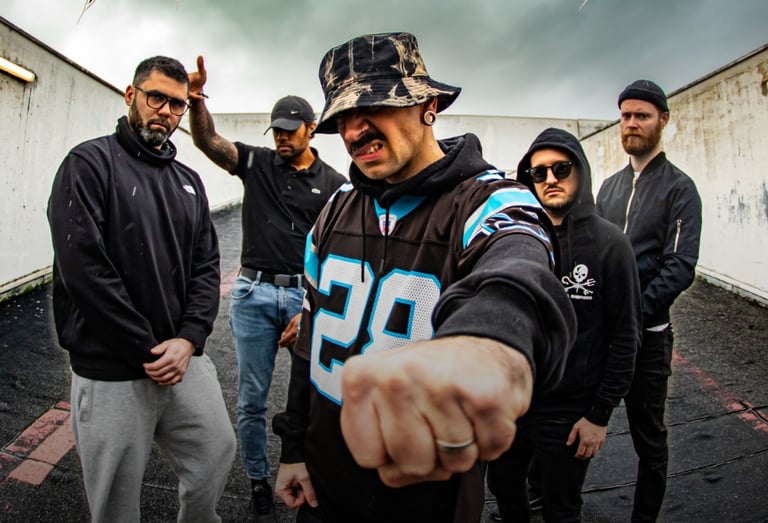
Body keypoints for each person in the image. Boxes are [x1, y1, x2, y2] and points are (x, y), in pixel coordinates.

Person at [271, 32, 577, 523]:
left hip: (431, 498)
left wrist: (489, 343)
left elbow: (517, 267)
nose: (354, 131)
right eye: (343, 117)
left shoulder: (490, 200)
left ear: (428, 105)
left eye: (374, 106)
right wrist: (293, 447)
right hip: (324, 488)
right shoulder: (333, 210)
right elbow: (310, 337)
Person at [46, 56, 235, 523]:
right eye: (156, 98)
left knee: (216, 450)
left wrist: (189, 339)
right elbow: (85, 270)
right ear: (131, 95)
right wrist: (145, 348)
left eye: (177, 104)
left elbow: (206, 267)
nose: (166, 112)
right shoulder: (88, 164)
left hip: (183, 361)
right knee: (115, 504)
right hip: (112, 368)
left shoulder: (188, 181)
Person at [186, 56, 346, 522]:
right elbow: (208, 141)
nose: (281, 138)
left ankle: (310, 473)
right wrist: (195, 101)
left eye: (290, 130)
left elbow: (337, 255)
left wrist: (312, 308)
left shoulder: (335, 185)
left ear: (311, 130)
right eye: (276, 130)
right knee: (251, 399)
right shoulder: (256, 163)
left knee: (319, 396)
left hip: (303, 298)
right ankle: (258, 480)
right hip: (252, 296)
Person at [487, 128, 642, 522]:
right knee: (503, 485)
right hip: (515, 402)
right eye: (538, 173)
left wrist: (599, 415)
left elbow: (626, 336)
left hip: (570, 410)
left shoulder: (610, 243)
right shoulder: (516, 239)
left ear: (580, 171)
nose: (550, 179)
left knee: (561, 507)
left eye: (561, 168)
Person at [596, 80, 703, 522]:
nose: (632, 123)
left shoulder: (680, 189)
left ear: (663, 120)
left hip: (649, 339)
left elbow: (680, 266)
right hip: (601, 336)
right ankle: (549, 497)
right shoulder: (608, 188)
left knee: (649, 437)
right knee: (575, 418)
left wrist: (630, 317)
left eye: (642, 115)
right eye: (626, 116)